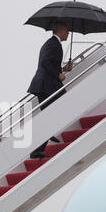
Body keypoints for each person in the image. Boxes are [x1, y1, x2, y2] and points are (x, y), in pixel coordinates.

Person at [27, 21, 73, 159]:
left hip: (46, 85)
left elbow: (49, 63)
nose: (68, 33)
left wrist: (64, 69)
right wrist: (58, 74)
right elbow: (45, 63)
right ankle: (47, 133)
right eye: (67, 31)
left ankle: (46, 135)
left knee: (51, 114)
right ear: (62, 30)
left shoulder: (52, 43)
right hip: (47, 86)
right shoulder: (53, 44)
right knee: (63, 104)